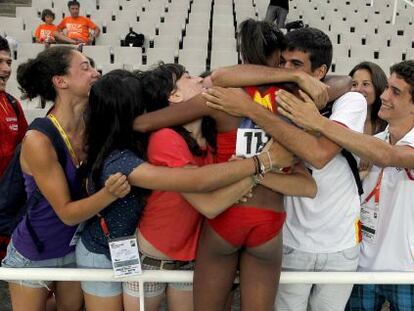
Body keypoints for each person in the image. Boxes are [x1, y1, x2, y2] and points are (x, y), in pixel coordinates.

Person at [133, 21, 319, 311]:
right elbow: (339, 86)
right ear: (279, 58)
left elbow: (144, 123)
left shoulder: (221, 98)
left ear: (243, 56)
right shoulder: (295, 101)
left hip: (227, 216)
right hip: (269, 221)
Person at [76, 67, 291, 311]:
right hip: (153, 260)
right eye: (188, 78)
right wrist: (259, 168)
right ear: (174, 97)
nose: (200, 78)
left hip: (191, 257)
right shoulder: (165, 137)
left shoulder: (212, 137)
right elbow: (209, 204)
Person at [203, 27, 367, 311]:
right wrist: (293, 75)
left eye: (297, 65)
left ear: (320, 71)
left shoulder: (349, 100)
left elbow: (318, 156)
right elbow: (219, 77)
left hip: (338, 242)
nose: (287, 70)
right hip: (291, 237)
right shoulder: (283, 91)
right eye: (282, 63)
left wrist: (253, 114)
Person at [275, 59, 414, 311]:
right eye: (386, 88)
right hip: (362, 264)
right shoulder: (373, 140)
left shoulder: (377, 146)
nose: (383, 95)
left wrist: (317, 121)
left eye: (396, 91)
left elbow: (388, 156)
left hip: (406, 271)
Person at [0, 45, 132, 311]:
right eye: (85, 68)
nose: (96, 73)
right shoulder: (39, 140)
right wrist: (110, 193)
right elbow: (68, 214)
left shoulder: (94, 126)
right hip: (33, 252)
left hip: (74, 250)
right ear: (60, 81)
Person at [0, 35, 28, 260]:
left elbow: (24, 147)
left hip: (6, 202)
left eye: (8, 62)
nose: (6, 69)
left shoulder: (11, 103)